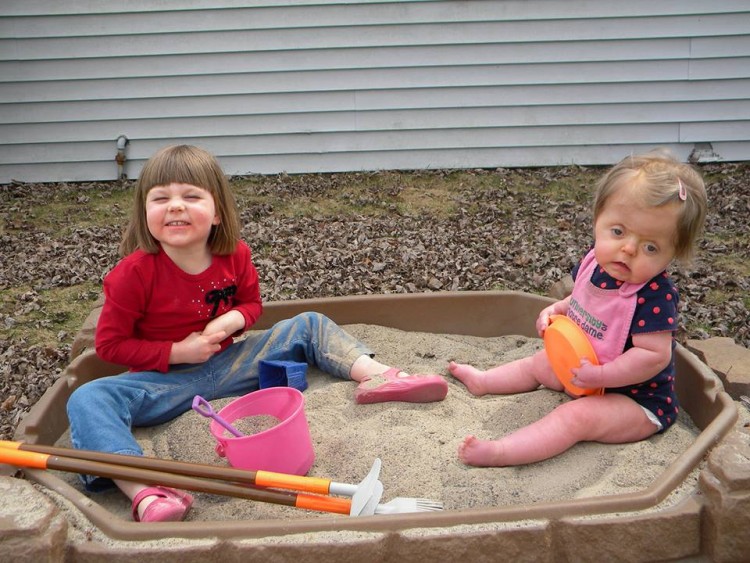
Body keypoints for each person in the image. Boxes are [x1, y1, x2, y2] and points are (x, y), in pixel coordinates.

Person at [66, 144, 447, 523]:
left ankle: (377, 377)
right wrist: (176, 352)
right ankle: (148, 493)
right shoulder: (132, 274)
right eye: (161, 198)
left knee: (308, 322)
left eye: (191, 196)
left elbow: (251, 305)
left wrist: (233, 321)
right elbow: (110, 345)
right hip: (164, 383)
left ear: (217, 212)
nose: (176, 206)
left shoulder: (235, 254)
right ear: (144, 212)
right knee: (88, 397)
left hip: (233, 364)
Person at [449, 150, 707, 467]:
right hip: (585, 375)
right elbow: (584, 301)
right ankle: (484, 381)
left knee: (575, 417)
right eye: (618, 232)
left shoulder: (653, 296)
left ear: (672, 254)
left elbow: (653, 356)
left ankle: (503, 451)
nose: (628, 249)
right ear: (597, 220)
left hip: (634, 401)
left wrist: (600, 374)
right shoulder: (598, 265)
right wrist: (558, 309)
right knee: (540, 363)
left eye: (650, 247)